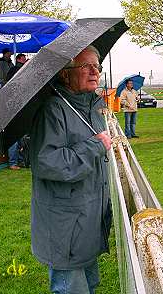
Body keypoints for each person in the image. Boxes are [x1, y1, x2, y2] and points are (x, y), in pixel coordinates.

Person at [28, 46, 112, 294]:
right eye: (86, 66)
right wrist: (95, 145)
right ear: (65, 74)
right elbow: (47, 161)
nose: (94, 71)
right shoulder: (52, 110)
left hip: (87, 219)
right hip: (66, 225)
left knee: (90, 284)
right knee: (72, 289)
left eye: (97, 66)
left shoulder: (91, 106)